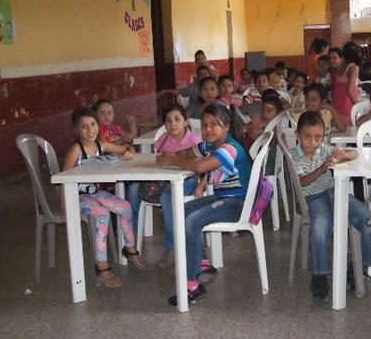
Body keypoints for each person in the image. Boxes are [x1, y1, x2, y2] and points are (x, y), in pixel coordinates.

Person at [158, 104, 252, 305]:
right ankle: (202, 263)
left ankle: (191, 284)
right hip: (223, 198)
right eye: (205, 125)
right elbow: (190, 153)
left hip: (237, 203)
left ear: (226, 127)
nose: (208, 129)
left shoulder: (229, 148)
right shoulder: (211, 145)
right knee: (181, 212)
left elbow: (200, 166)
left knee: (192, 221)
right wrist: (172, 154)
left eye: (214, 125)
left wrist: (172, 159)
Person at [290, 111, 371, 302]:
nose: (313, 142)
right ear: (297, 135)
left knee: (367, 217)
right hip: (313, 198)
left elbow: (355, 153)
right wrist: (321, 169)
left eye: (318, 137)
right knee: (320, 226)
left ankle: (358, 268)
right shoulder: (296, 156)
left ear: (324, 136)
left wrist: (341, 154)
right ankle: (320, 275)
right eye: (307, 137)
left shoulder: (324, 149)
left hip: (334, 193)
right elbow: (302, 182)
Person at [62, 107, 145, 288]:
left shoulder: (101, 145)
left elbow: (125, 148)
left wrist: (129, 151)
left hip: (95, 192)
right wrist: (64, 207)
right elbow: (63, 181)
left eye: (93, 124)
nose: (90, 130)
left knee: (125, 207)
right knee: (102, 214)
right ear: (76, 130)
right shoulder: (76, 150)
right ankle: (102, 266)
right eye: (84, 127)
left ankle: (129, 249)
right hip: (77, 196)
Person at [131, 105, 203, 269]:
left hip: (188, 181)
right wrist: (160, 161)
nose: (173, 124)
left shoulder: (194, 141)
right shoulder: (163, 139)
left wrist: (173, 161)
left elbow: (198, 166)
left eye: (177, 119)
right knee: (133, 187)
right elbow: (157, 160)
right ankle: (132, 235)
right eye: (168, 121)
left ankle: (172, 248)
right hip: (163, 180)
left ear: (185, 122)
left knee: (167, 197)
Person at [329, 45, 360, 126]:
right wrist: (359, 108)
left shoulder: (337, 69)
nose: (332, 60)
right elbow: (349, 91)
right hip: (347, 105)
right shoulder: (353, 68)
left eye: (334, 57)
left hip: (337, 104)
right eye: (330, 58)